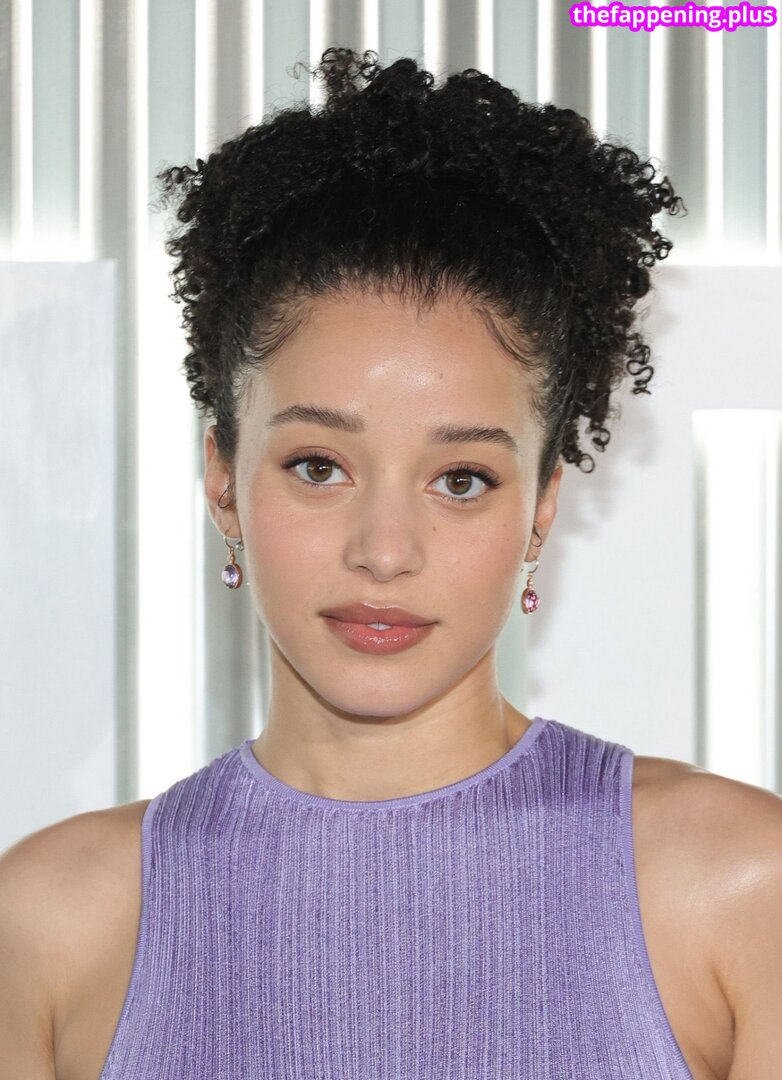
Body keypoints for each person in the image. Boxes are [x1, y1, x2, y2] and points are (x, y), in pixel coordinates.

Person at [1, 47, 780, 1080]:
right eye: (318, 466)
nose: (383, 551)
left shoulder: (738, 886)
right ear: (223, 476)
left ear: (541, 507)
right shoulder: (50, 925)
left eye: (460, 479)